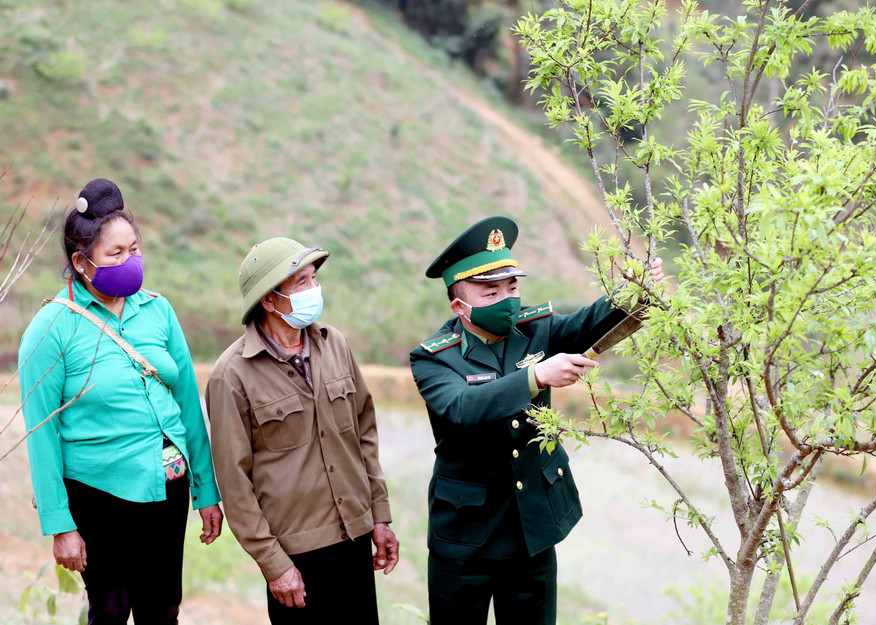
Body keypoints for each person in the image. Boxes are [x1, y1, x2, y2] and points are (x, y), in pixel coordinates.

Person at [410, 216, 664, 625]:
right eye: (490, 292)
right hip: (464, 536)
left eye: (512, 287)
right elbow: (462, 407)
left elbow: (587, 324)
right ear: (460, 305)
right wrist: (535, 376)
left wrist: (633, 293)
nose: (507, 299)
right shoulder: (433, 357)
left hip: (531, 528)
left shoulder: (535, 329)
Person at [18, 178, 223, 625]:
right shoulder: (52, 327)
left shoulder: (158, 311)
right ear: (81, 261)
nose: (130, 261)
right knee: (110, 611)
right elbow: (41, 432)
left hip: (167, 491)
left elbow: (189, 404)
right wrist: (60, 524)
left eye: (134, 249)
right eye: (116, 253)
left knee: (163, 609)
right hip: (98, 496)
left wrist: (205, 490)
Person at [205, 237, 398, 624]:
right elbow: (234, 481)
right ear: (269, 300)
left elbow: (365, 433)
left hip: (355, 537)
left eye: (314, 279)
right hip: (296, 555)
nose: (314, 290)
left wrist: (379, 516)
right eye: (301, 283)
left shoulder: (335, 344)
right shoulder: (232, 376)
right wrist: (274, 564)